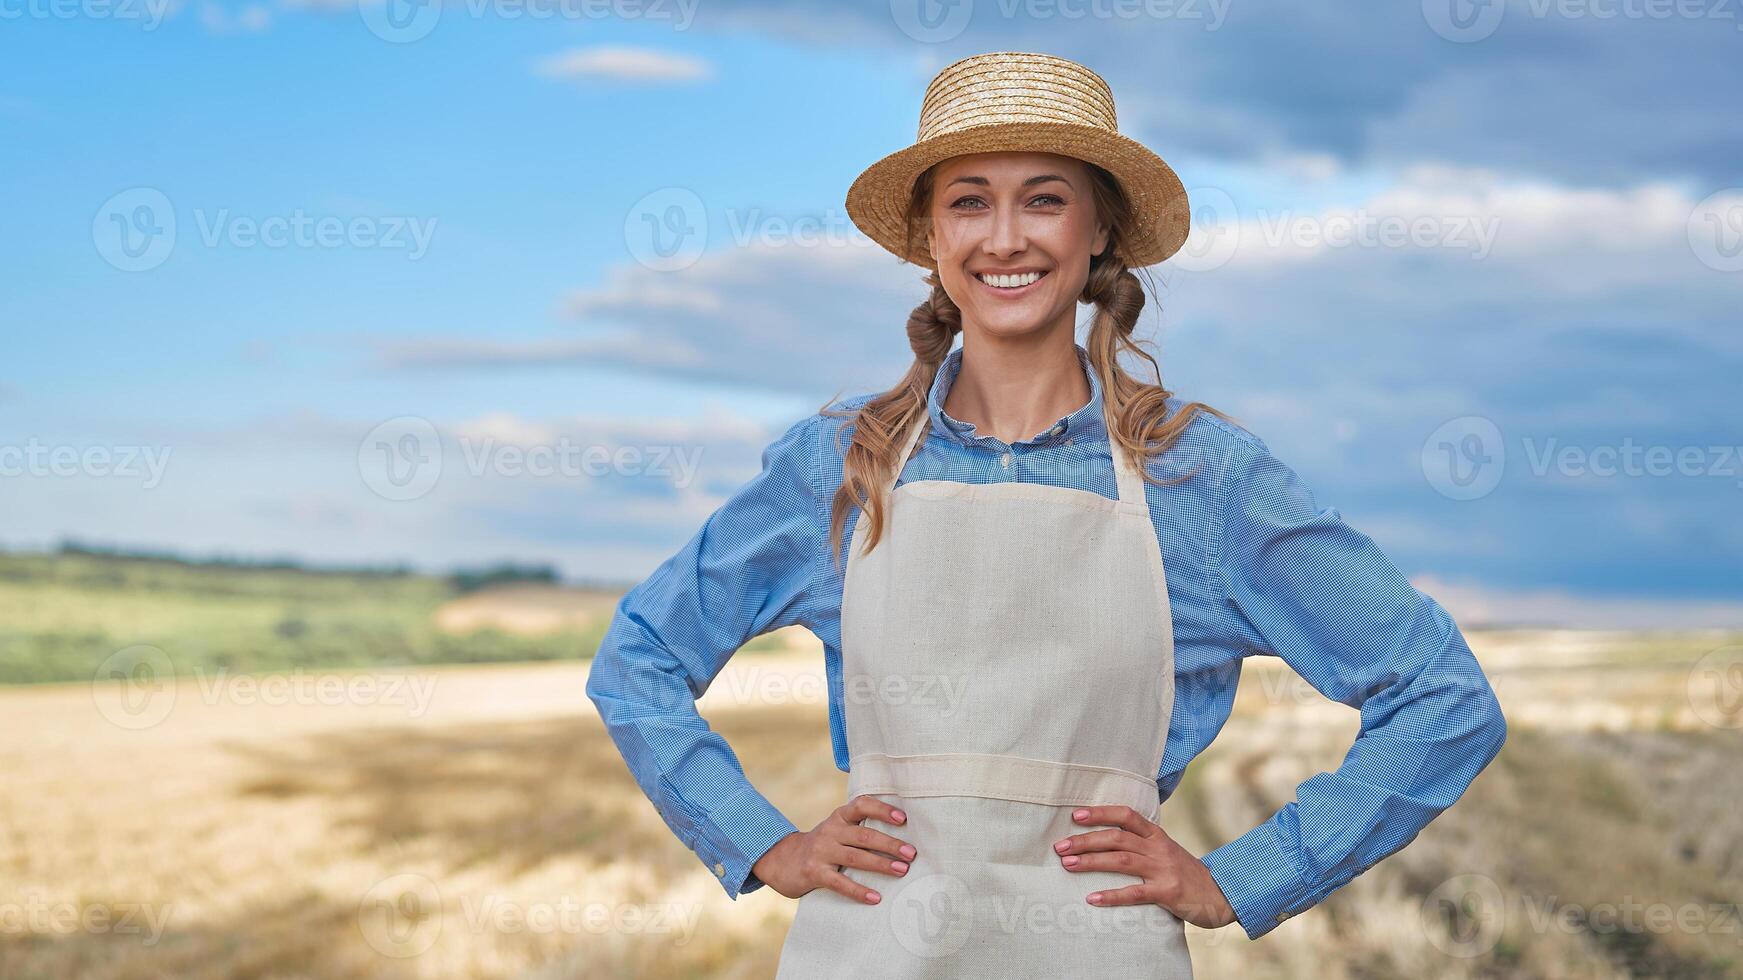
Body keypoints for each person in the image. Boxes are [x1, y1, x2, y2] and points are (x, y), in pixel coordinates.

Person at [585, 50, 1507, 978]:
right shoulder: (840, 468)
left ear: (1100, 228)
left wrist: (1243, 878)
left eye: (1044, 199)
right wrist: (762, 843)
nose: (1004, 238)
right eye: (969, 200)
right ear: (931, 236)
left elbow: (1441, 697)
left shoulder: (1200, 480)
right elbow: (640, 658)